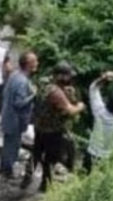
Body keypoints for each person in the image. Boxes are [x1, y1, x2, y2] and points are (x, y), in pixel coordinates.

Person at [25, 61, 84, 192]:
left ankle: (27, 177)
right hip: (51, 130)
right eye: (67, 76)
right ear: (60, 76)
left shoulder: (44, 82)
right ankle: (45, 185)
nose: (69, 79)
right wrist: (80, 106)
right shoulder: (56, 92)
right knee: (50, 158)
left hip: (39, 125)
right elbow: (70, 110)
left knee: (36, 152)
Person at [0, 51, 38, 179]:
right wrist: (33, 95)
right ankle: (8, 172)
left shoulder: (14, 75)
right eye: (35, 61)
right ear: (28, 65)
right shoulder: (22, 81)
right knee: (12, 146)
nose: (37, 63)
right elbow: (19, 103)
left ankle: (3, 169)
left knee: (8, 144)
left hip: (7, 115)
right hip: (15, 119)